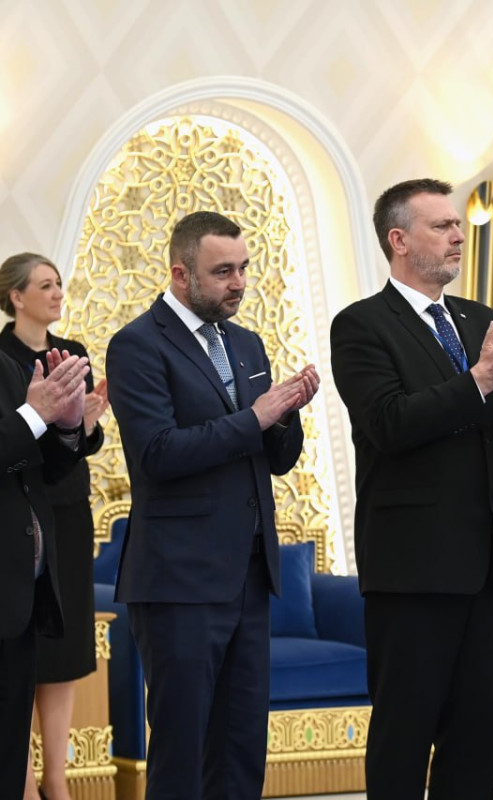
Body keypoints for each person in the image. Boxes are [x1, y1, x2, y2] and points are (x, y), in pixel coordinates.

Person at [329, 178, 493, 800]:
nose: (459, 236)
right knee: (404, 734)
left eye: (458, 225)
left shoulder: (482, 320)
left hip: (491, 565)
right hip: (413, 566)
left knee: (478, 737)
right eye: (442, 226)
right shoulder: (361, 325)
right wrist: (480, 380)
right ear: (399, 240)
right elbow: (389, 423)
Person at [105, 211, 319, 800]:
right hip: (179, 579)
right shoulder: (136, 345)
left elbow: (274, 459)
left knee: (241, 748)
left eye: (243, 268)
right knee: (182, 752)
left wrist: (287, 414)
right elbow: (157, 453)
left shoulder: (245, 343)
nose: (239, 282)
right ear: (181, 274)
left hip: (250, 574)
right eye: (223, 271)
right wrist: (257, 417)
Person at [0, 253, 108, 800]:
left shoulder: (72, 352)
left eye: (59, 283)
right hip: (15, 518)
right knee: (22, 645)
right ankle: (19, 779)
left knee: (63, 646)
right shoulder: (4, 358)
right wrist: (45, 420)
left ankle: (57, 779)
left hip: (64, 513)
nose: (57, 293)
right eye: (45, 285)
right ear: (16, 297)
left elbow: (72, 444)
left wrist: (80, 427)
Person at [0, 343, 90, 799]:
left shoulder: (7, 368)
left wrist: (68, 425)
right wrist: (34, 416)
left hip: (17, 597)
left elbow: (37, 471)